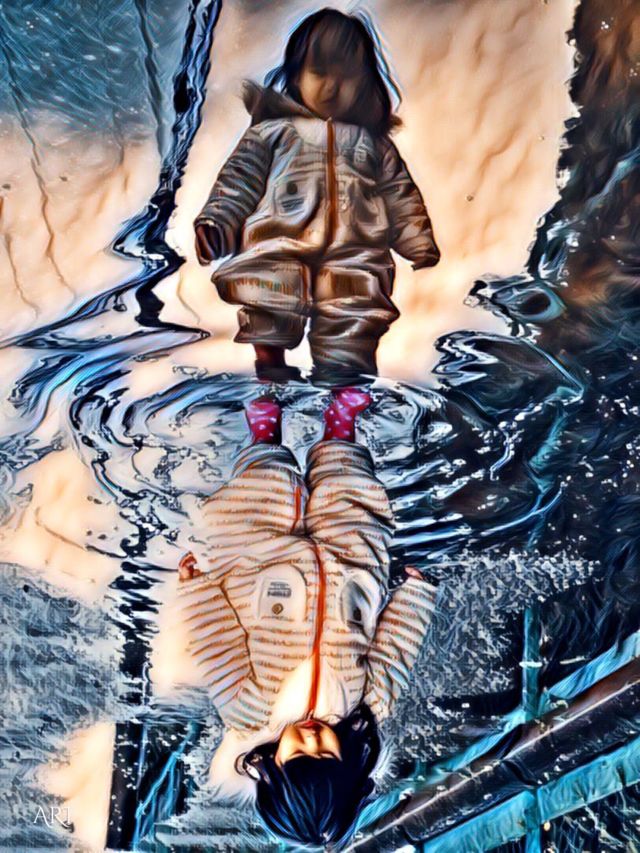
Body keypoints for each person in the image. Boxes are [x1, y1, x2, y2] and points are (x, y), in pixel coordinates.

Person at [178, 389, 437, 847]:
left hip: (261, 571)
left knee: (260, 494)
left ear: (273, 768)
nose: (313, 738)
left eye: (299, 753)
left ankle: (264, 435)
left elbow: (217, 642)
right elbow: (395, 651)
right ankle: (339, 427)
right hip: (349, 573)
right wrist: (415, 596)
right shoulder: (367, 707)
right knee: (352, 499)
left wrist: (197, 589)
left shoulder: (247, 712)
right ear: (347, 765)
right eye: (326, 753)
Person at [194, 8, 440, 385]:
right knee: (267, 304)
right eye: (319, 73)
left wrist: (417, 240)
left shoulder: (373, 144)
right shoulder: (272, 132)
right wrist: (217, 222)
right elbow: (239, 181)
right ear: (296, 76)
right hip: (277, 246)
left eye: (346, 76)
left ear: (365, 81)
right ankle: (269, 383)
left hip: (354, 255)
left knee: (355, 319)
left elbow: (400, 195)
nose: (331, 87)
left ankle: (343, 405)